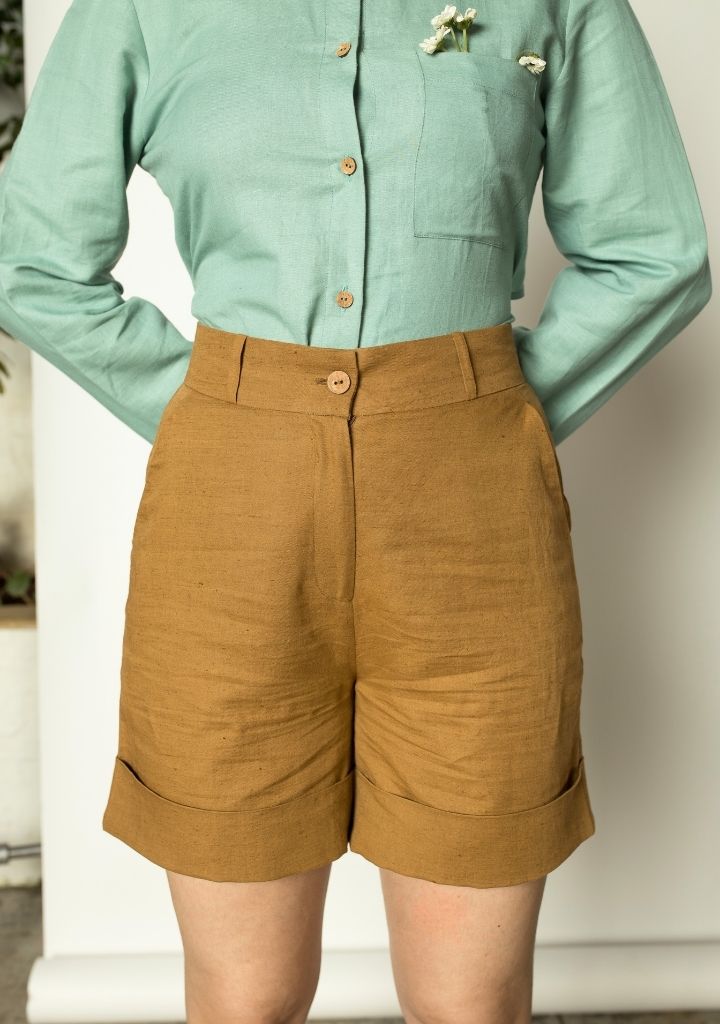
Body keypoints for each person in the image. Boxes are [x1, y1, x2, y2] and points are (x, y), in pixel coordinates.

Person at [0, 1, 711, 1022]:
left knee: (471, 1004)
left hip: (478, 541)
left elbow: (654, 251)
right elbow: (31, 262)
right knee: (245, 1000)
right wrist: (218, 408)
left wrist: (486, 408)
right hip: (228, 538)